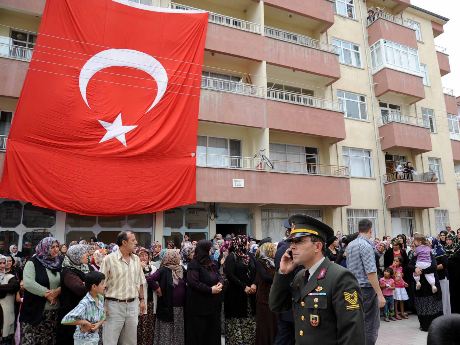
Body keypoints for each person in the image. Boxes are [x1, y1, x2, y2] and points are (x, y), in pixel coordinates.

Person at [269, 215, 365, 345]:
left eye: (299, 241)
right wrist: (283, 273)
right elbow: (277, 305)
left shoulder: (340, 277)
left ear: (317, 247)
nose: (292, 247)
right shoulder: (300, 276)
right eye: (291, 242)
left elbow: (352, 333)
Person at [100, 231, 146, 345]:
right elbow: (101, 284)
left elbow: (140, 281)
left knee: (130, 342)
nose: (136, 242)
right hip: (113, 306)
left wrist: (142, 300)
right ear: (124, 242)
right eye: (133, 240)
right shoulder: (109, 259)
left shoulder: (136, 259)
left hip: (132, 305)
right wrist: (102, 305)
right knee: (110, 341)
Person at [346, 219, 385, 345]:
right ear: (370, 230)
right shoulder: (365, 245)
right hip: (366, 289)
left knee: (357, 322)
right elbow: (371, 272)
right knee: (370, 324)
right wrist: (379, 294)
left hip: (352, 287)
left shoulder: (351, 244)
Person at [21, 237, 62, 345]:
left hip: (53, 312)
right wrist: (47, 294)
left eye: (57, 246)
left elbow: (65, 280)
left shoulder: (59, 262)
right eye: (52, 247)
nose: (56, 249)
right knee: (33, 340)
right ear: (44, 248)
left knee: (49, 340)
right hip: (35, 311)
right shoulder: (33, 262)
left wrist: (58, 291)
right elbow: (28, 283)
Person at [186, 240, 223, 345]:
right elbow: (193, 282)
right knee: (199, 335)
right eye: (210, 248)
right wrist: (210, 290)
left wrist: (220, 283)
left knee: (212, 334)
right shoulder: (194, 264)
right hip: (199, 307)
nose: (212, 250)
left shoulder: (211, 262)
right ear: (204, 250)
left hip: (213, 306)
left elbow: (219, 275)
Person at [224, 235, 257, 345]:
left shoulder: (250, 255)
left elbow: (256, 271)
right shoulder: (231, 257)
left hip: (250, 295)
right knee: (237, 320)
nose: (248, 244)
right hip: (236, 294)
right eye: (246, 242)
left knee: (249, 319)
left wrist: (254, 284)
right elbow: (230, 275)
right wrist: (244, 287)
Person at [148, 249, 186, 345]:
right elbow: (150, 279)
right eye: (175, 255)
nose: (177, 257)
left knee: (178, 329)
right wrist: (157, 289)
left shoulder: (181, 269)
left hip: (180, 307)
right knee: (167, 329)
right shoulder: (163, 270)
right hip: (167, 305)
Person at [56, 244, 91, 344]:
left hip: (83, 312)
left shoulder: (86, 267)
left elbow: (98, 280)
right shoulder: (68, 271)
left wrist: (87, 284)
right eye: (84, 253)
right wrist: (89, 285)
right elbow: (80, 289)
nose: (87, 255)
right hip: (71, 312)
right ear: (77, 256)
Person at [61, 271, 106, 345]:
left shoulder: (100, 298)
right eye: (102, 283)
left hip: (95, 338)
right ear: (94, 286)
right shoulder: (85, 303)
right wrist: (84, 322)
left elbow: (103, 315)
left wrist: (98, 324)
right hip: (83, 341)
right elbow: (65, 320)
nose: (105, 286)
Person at [273, 219, 295, 345]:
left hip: (283, 300)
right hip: (293, 300)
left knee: (284, 336)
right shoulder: (286, 250)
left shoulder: (281, 249)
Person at [254, 242, 277, 345]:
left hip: (273, 296)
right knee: (265, 323)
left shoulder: (275, 262)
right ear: (269, 250)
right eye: (274, 249)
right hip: (264, 297)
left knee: (273, 323)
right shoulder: (260, 262)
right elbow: (264, 277)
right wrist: (278, 279)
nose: (276, 251)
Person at [137, 247, 157, 345]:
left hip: (151, 300)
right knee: (140, 325)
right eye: (141, 255)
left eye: (146, 255)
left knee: (150, 324)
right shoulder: (135, 268)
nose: (144, 257)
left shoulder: (154, 268)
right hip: (140, 301)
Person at [0, 254, 20, 344]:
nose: (3, 265)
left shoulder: (10, 277)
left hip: (7, 318)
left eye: (4, 263)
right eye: (0, 263)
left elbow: (15, 286)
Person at [432, 238, 451, 315]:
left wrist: (432, 268)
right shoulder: (430, 251)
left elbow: (444, 264)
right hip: (435, 278)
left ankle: (446, 314)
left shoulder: (440, 251)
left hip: (442, 277)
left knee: (444, 297)